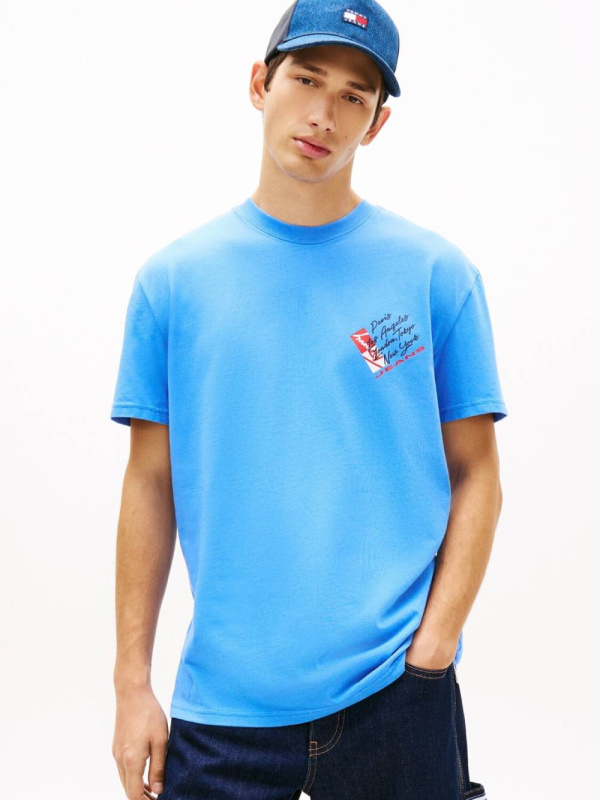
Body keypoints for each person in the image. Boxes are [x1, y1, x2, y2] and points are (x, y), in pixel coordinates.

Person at [110, 1, 507, 798]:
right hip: (225, 705)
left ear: (378, 123)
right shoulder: (174, 283)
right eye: (307, 79)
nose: (324, 114)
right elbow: (150, 483)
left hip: (396, 693)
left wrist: (432, 651)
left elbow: (478, 475)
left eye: (354, 96)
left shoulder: (436, 276)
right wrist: (131, 685)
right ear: (261, 83)